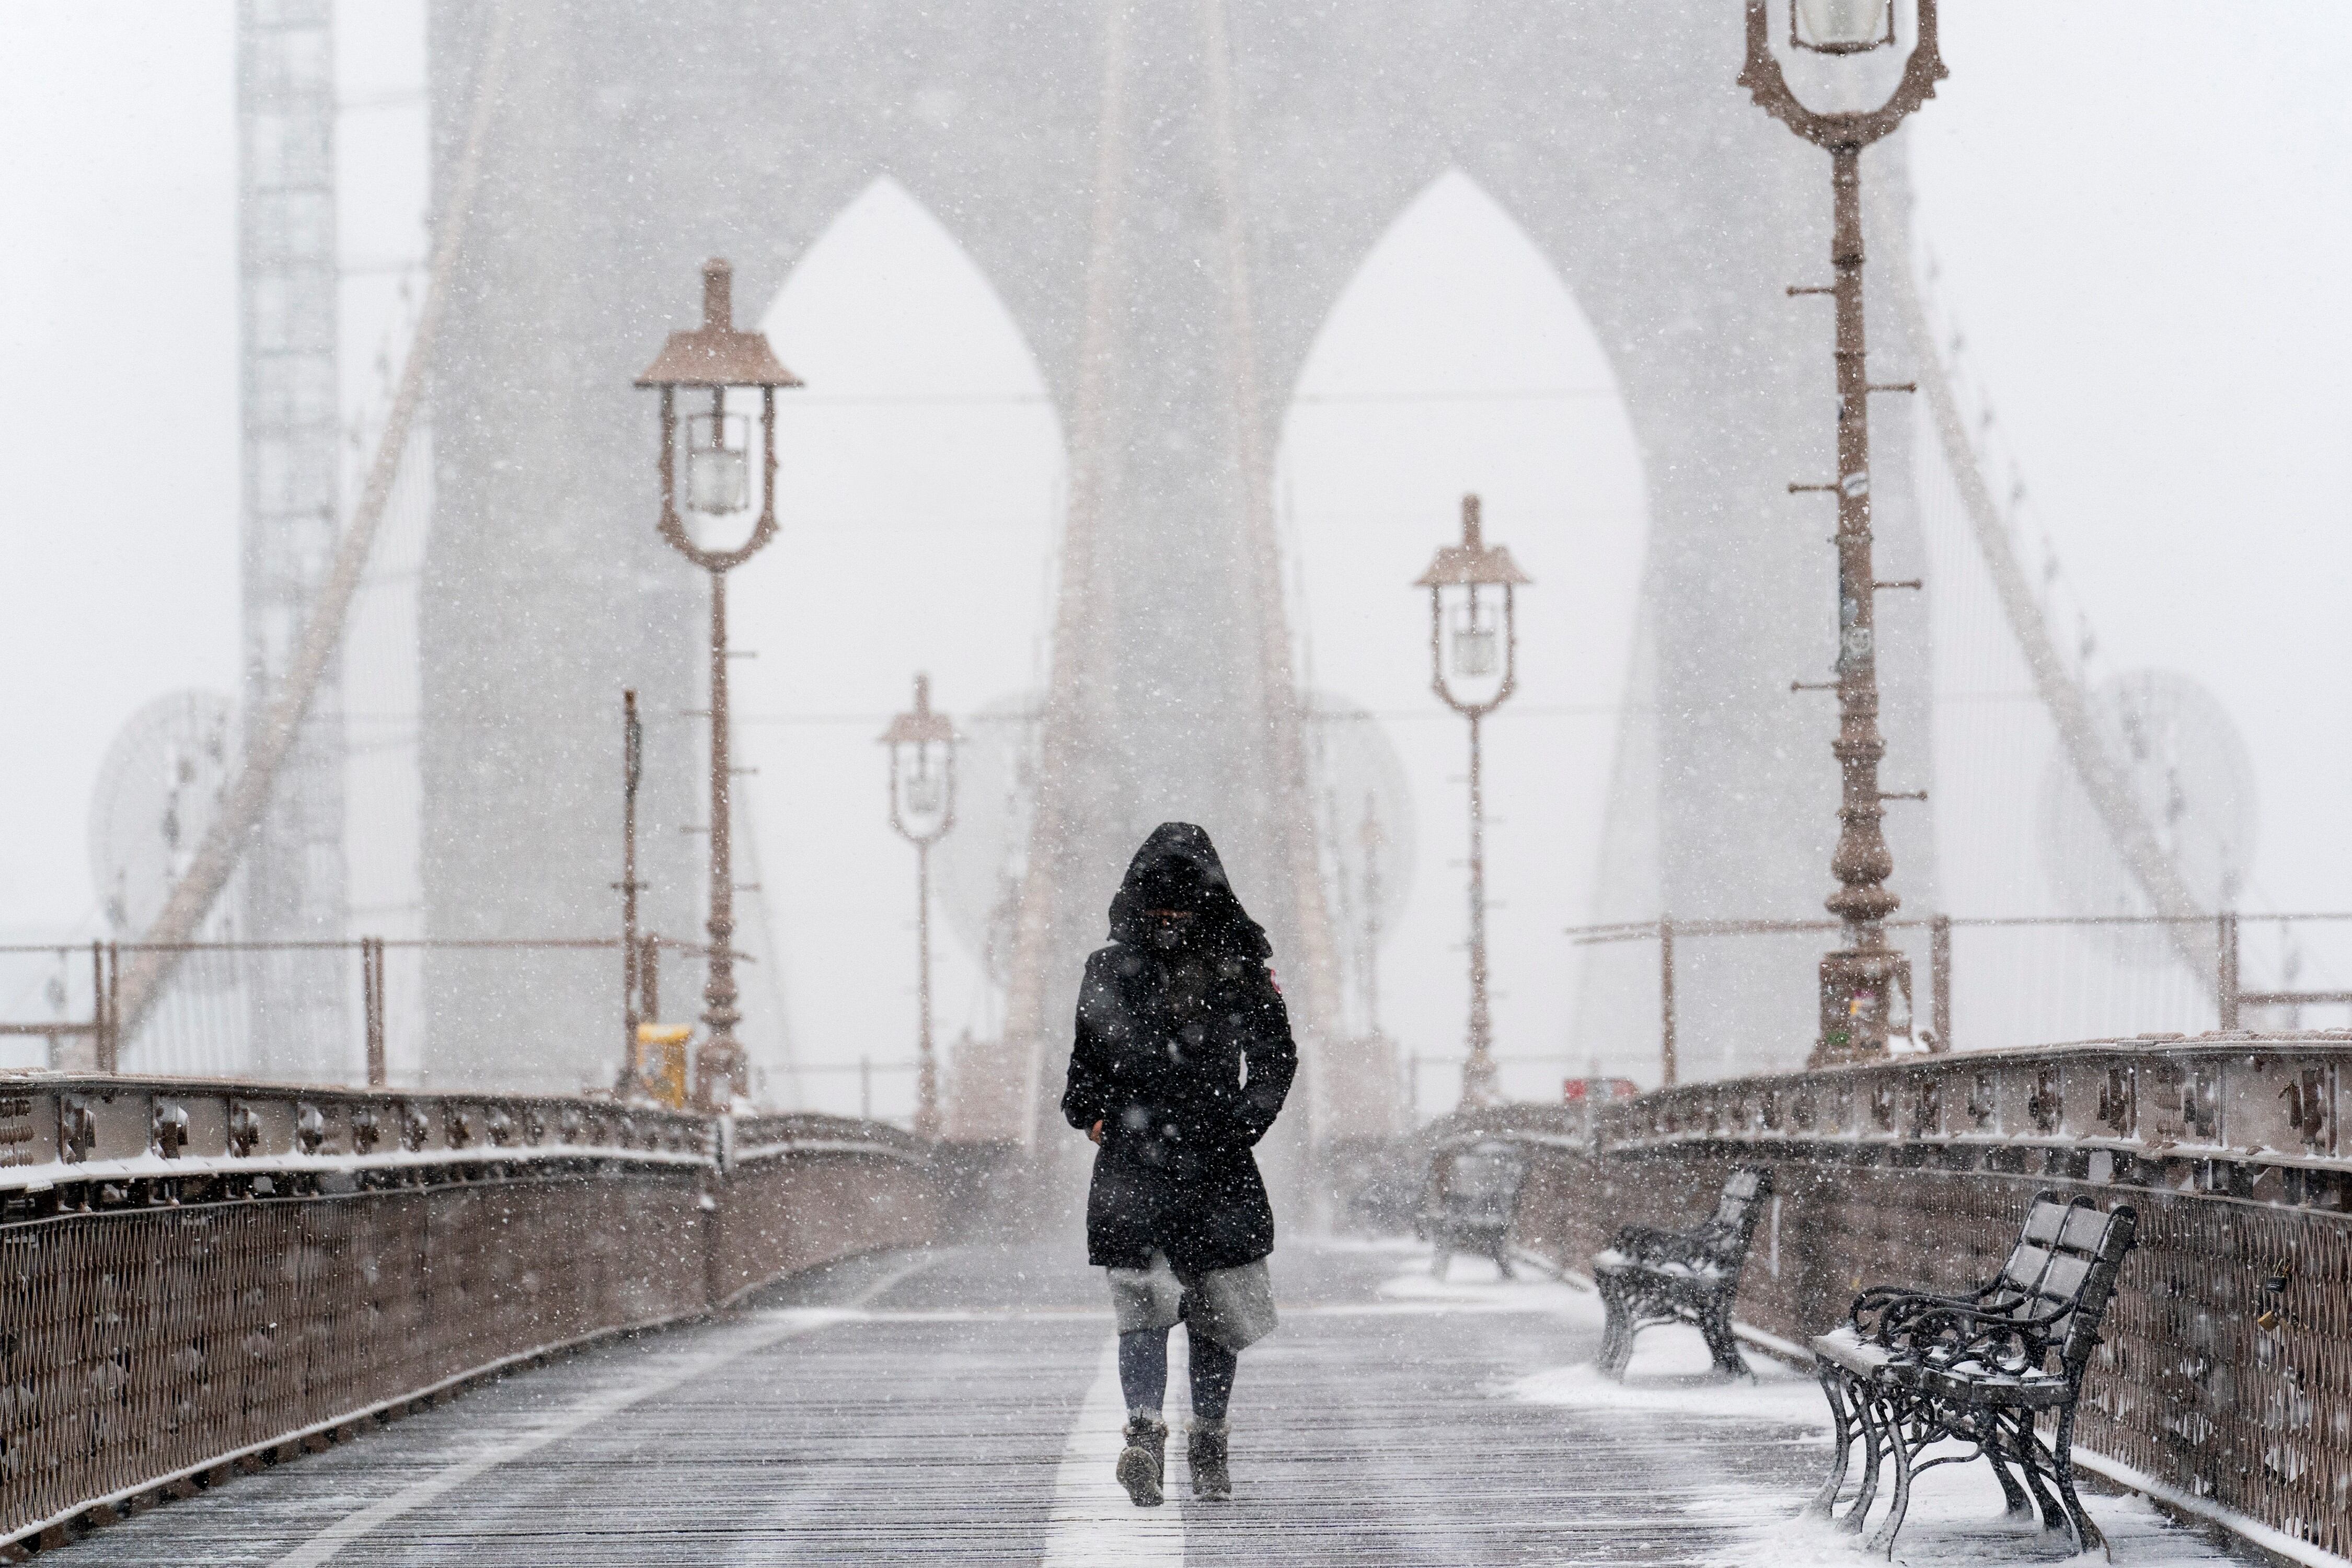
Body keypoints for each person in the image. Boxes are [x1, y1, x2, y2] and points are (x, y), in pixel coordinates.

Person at [1063, 822, 1297, 1507]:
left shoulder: (1236, 965)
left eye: (1180, 911)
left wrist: (1245, 1120)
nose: (1168, 923)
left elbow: (1277, 1055)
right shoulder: (1112, 968)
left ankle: (1207, 1435)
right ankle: (1148, 1432)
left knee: (1210, 1308)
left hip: (1206, 1157)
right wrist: (1092, 1114)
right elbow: (1086, 1062)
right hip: (1148, 1159)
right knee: (1146, 1298)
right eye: (1158, 910)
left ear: (1203, 906)